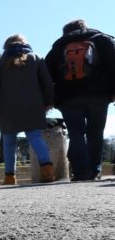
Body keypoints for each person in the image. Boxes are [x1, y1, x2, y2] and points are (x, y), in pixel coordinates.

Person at [45, 19, 115, 180]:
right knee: (95, 132)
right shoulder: (102, 39)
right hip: (99, 95)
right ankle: (95, 170)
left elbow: (47, 75)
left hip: (69, 98)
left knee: (76, 134)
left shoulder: (59, 46)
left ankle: (81, 172)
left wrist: (50, 99)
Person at [0, 34, 56, 185]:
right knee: (35, 137)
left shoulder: (0, 63)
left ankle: (10, 177)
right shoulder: (36, 58)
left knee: (9, 142)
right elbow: (47, 82)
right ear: (24, 44)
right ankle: (47, 171)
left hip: (7, 108)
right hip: (33, 105)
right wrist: (49, 101)